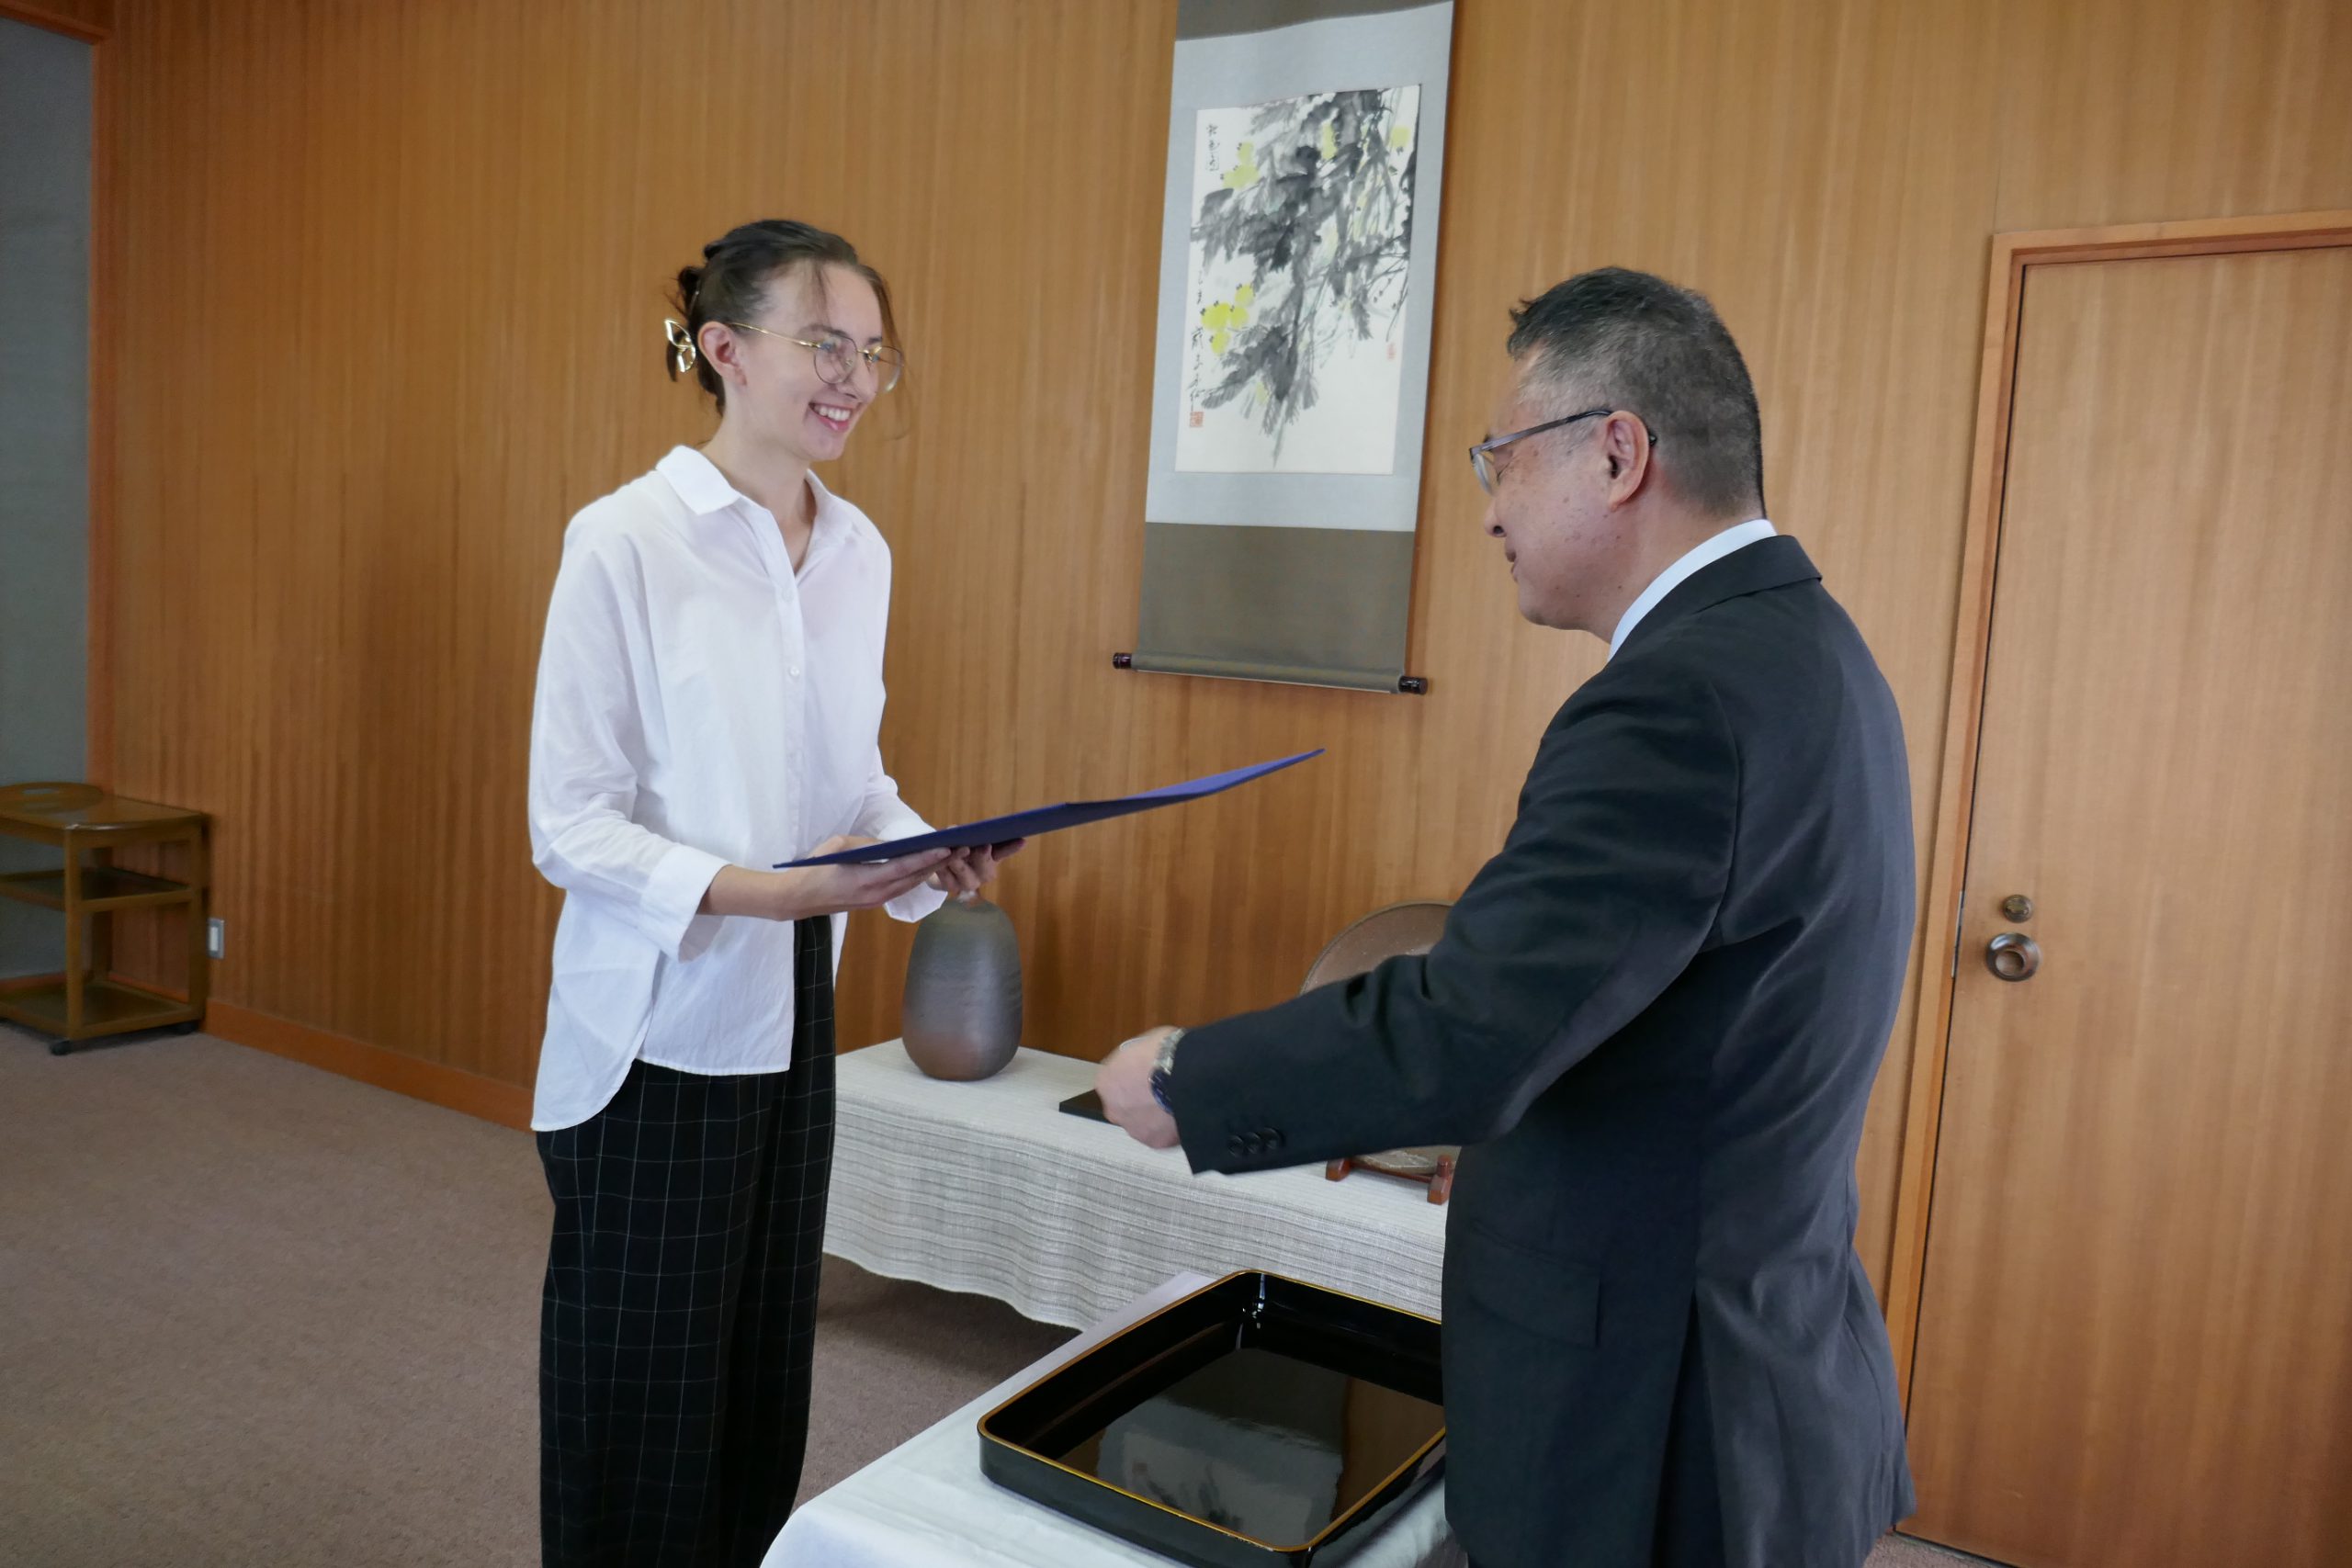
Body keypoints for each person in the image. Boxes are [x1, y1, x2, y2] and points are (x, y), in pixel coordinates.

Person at [1096, 267, 1916, 1568]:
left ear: (1618, 454)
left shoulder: (1677, 701)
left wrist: (1190, 1079)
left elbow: (1471, 1028)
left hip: (1656, 1407)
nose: (1487, 510)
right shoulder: (1809, 648)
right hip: (1760, 1349)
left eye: (1502, 459)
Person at [526, 218, 1018, 1568]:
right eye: (825, 344)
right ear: (725, 350)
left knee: (757, 1379)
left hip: (797, 996)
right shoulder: (625, 540)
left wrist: (923, 850)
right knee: (642, 1398)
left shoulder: (858, 552)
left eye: (873, 352)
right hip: (661, 1017)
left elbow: (848, 788)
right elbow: (569, 825)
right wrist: (767, 895)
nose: (855, 378)